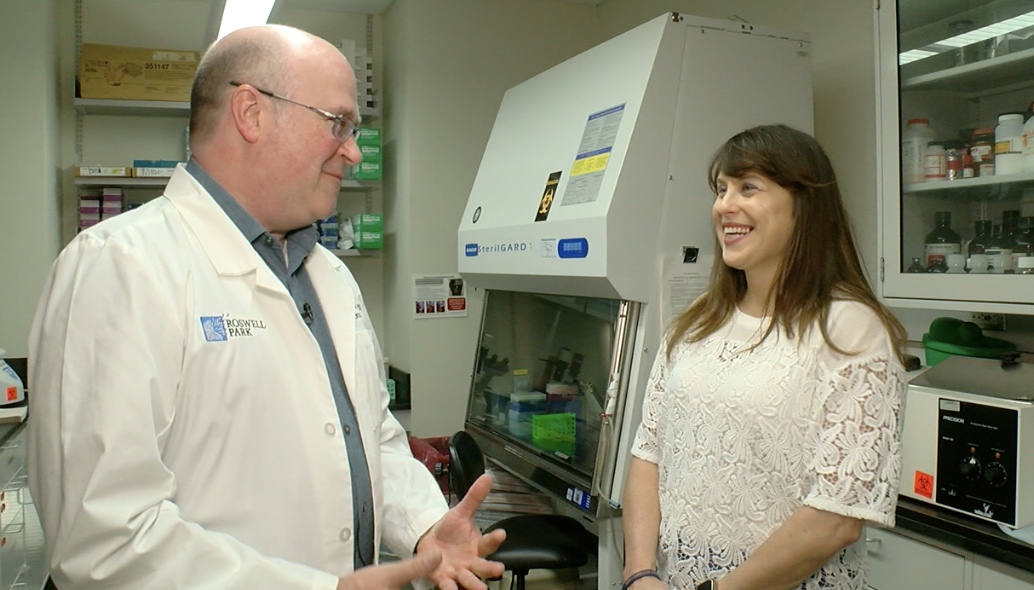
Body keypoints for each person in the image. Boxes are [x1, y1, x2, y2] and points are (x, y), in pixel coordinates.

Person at [27, 25, 505, 590]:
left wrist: (426, 526)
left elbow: (371, 439)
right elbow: (102, 537)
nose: (352, 150)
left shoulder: (329, 276)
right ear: (250, 113)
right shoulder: (118, 266)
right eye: (338, 124)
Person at [622, 125, 907, 590]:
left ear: (804, 206)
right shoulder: (694, 327)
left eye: (747, 187)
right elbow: (647, 454)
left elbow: (837, 517)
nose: (724, 206)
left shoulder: (850, 332)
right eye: (721, 189)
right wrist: (639, 572)